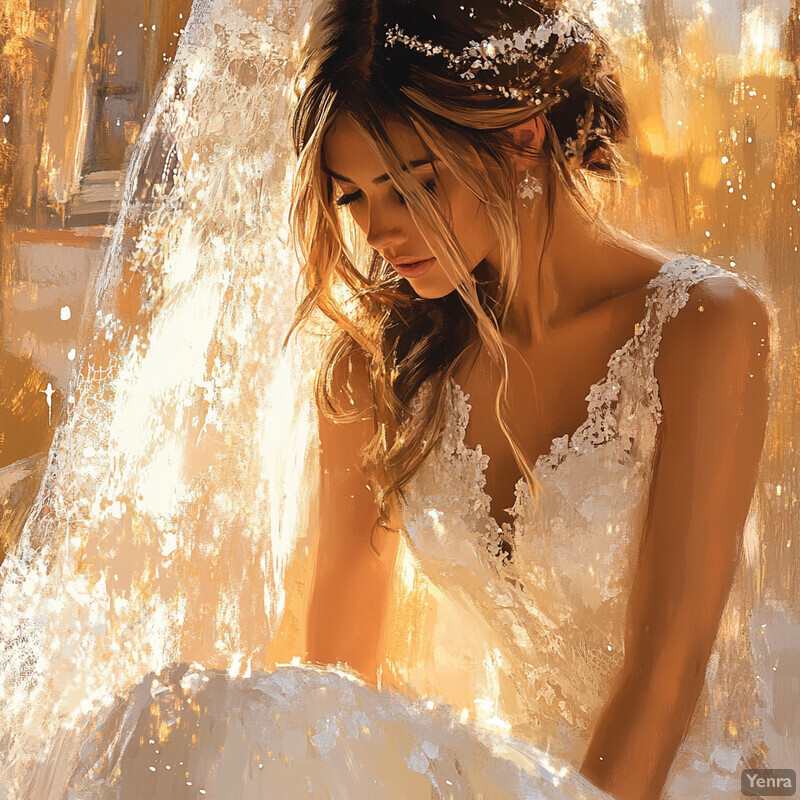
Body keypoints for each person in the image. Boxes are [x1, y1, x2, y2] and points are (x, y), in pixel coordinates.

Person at [0, 0, 778, 798]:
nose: (380, 232)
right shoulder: (378, 368)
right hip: (495, 782)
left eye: (414, 186)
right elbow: (335, 690)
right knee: (198, 728)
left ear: (522, 135)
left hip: (668, 781)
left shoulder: (704, 329)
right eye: (352, 197)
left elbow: (666, 676)